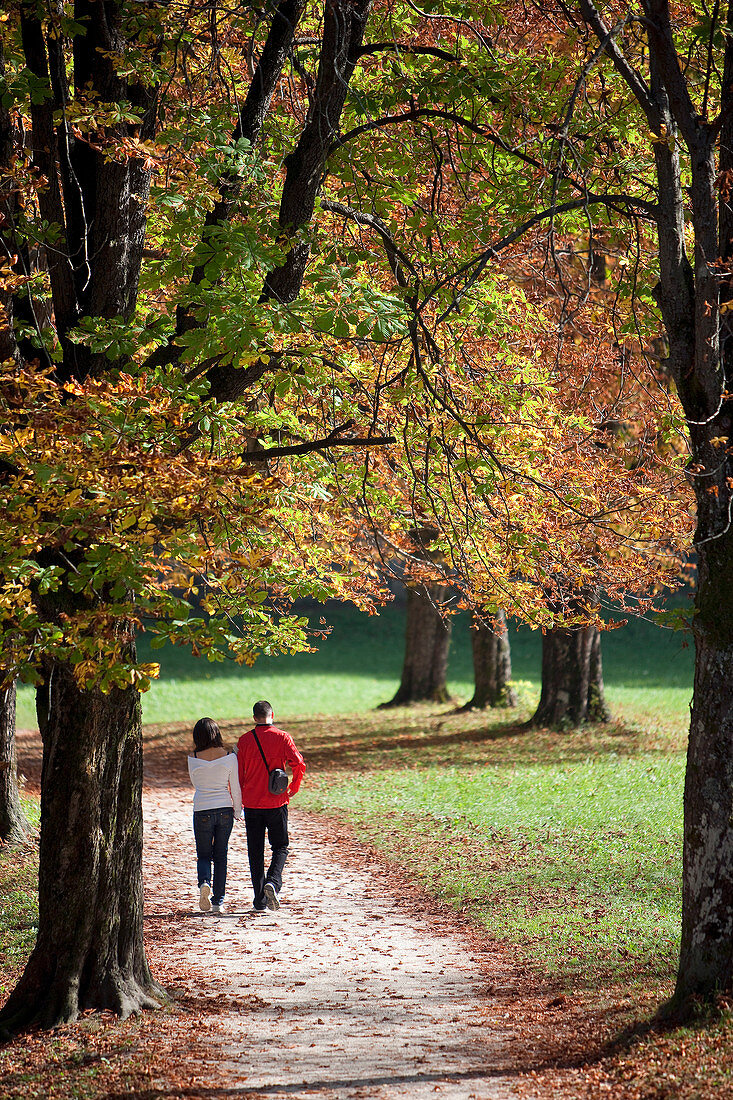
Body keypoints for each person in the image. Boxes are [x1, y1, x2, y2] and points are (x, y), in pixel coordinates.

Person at [237, 700, 306, 912]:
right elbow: (299, 763)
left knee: (255, 851)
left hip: (252, 802)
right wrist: (294, 786)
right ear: (272, 715)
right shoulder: (283, 738)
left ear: (254, 717)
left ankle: (259, 901)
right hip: (276, 801)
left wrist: (237, 801)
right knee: (280, 846)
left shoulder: (245, 740)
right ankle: (273, 882)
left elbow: (239, 773)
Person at [188, 717, 243, 914]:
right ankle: (218, 900)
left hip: (202, 808)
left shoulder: (193, 759)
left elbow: (196, 784)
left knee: (203, 854)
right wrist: (238, 810)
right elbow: (235, 787)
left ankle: (204, 882)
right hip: (224, 809)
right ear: (217, 733)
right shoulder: (230, 757)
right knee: (221, 855)